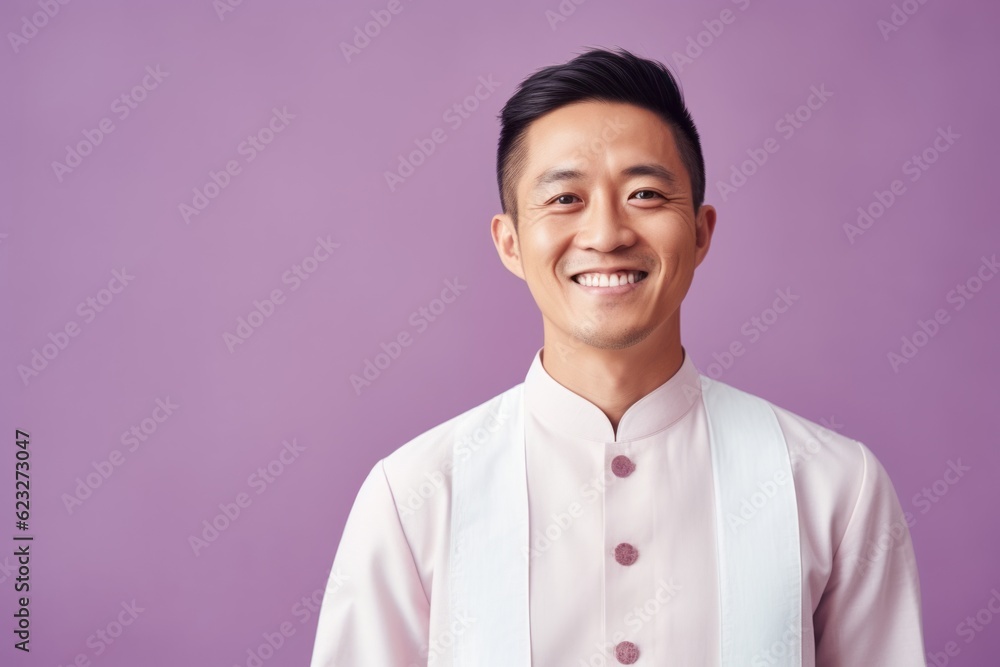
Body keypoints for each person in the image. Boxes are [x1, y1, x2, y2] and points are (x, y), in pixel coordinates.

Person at [309, 46, 926, 666]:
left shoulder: (832, 486)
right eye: (564, 199)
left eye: (646, 194)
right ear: (510, 243)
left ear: (702, 231)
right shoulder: (415, 493)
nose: (606, 235)